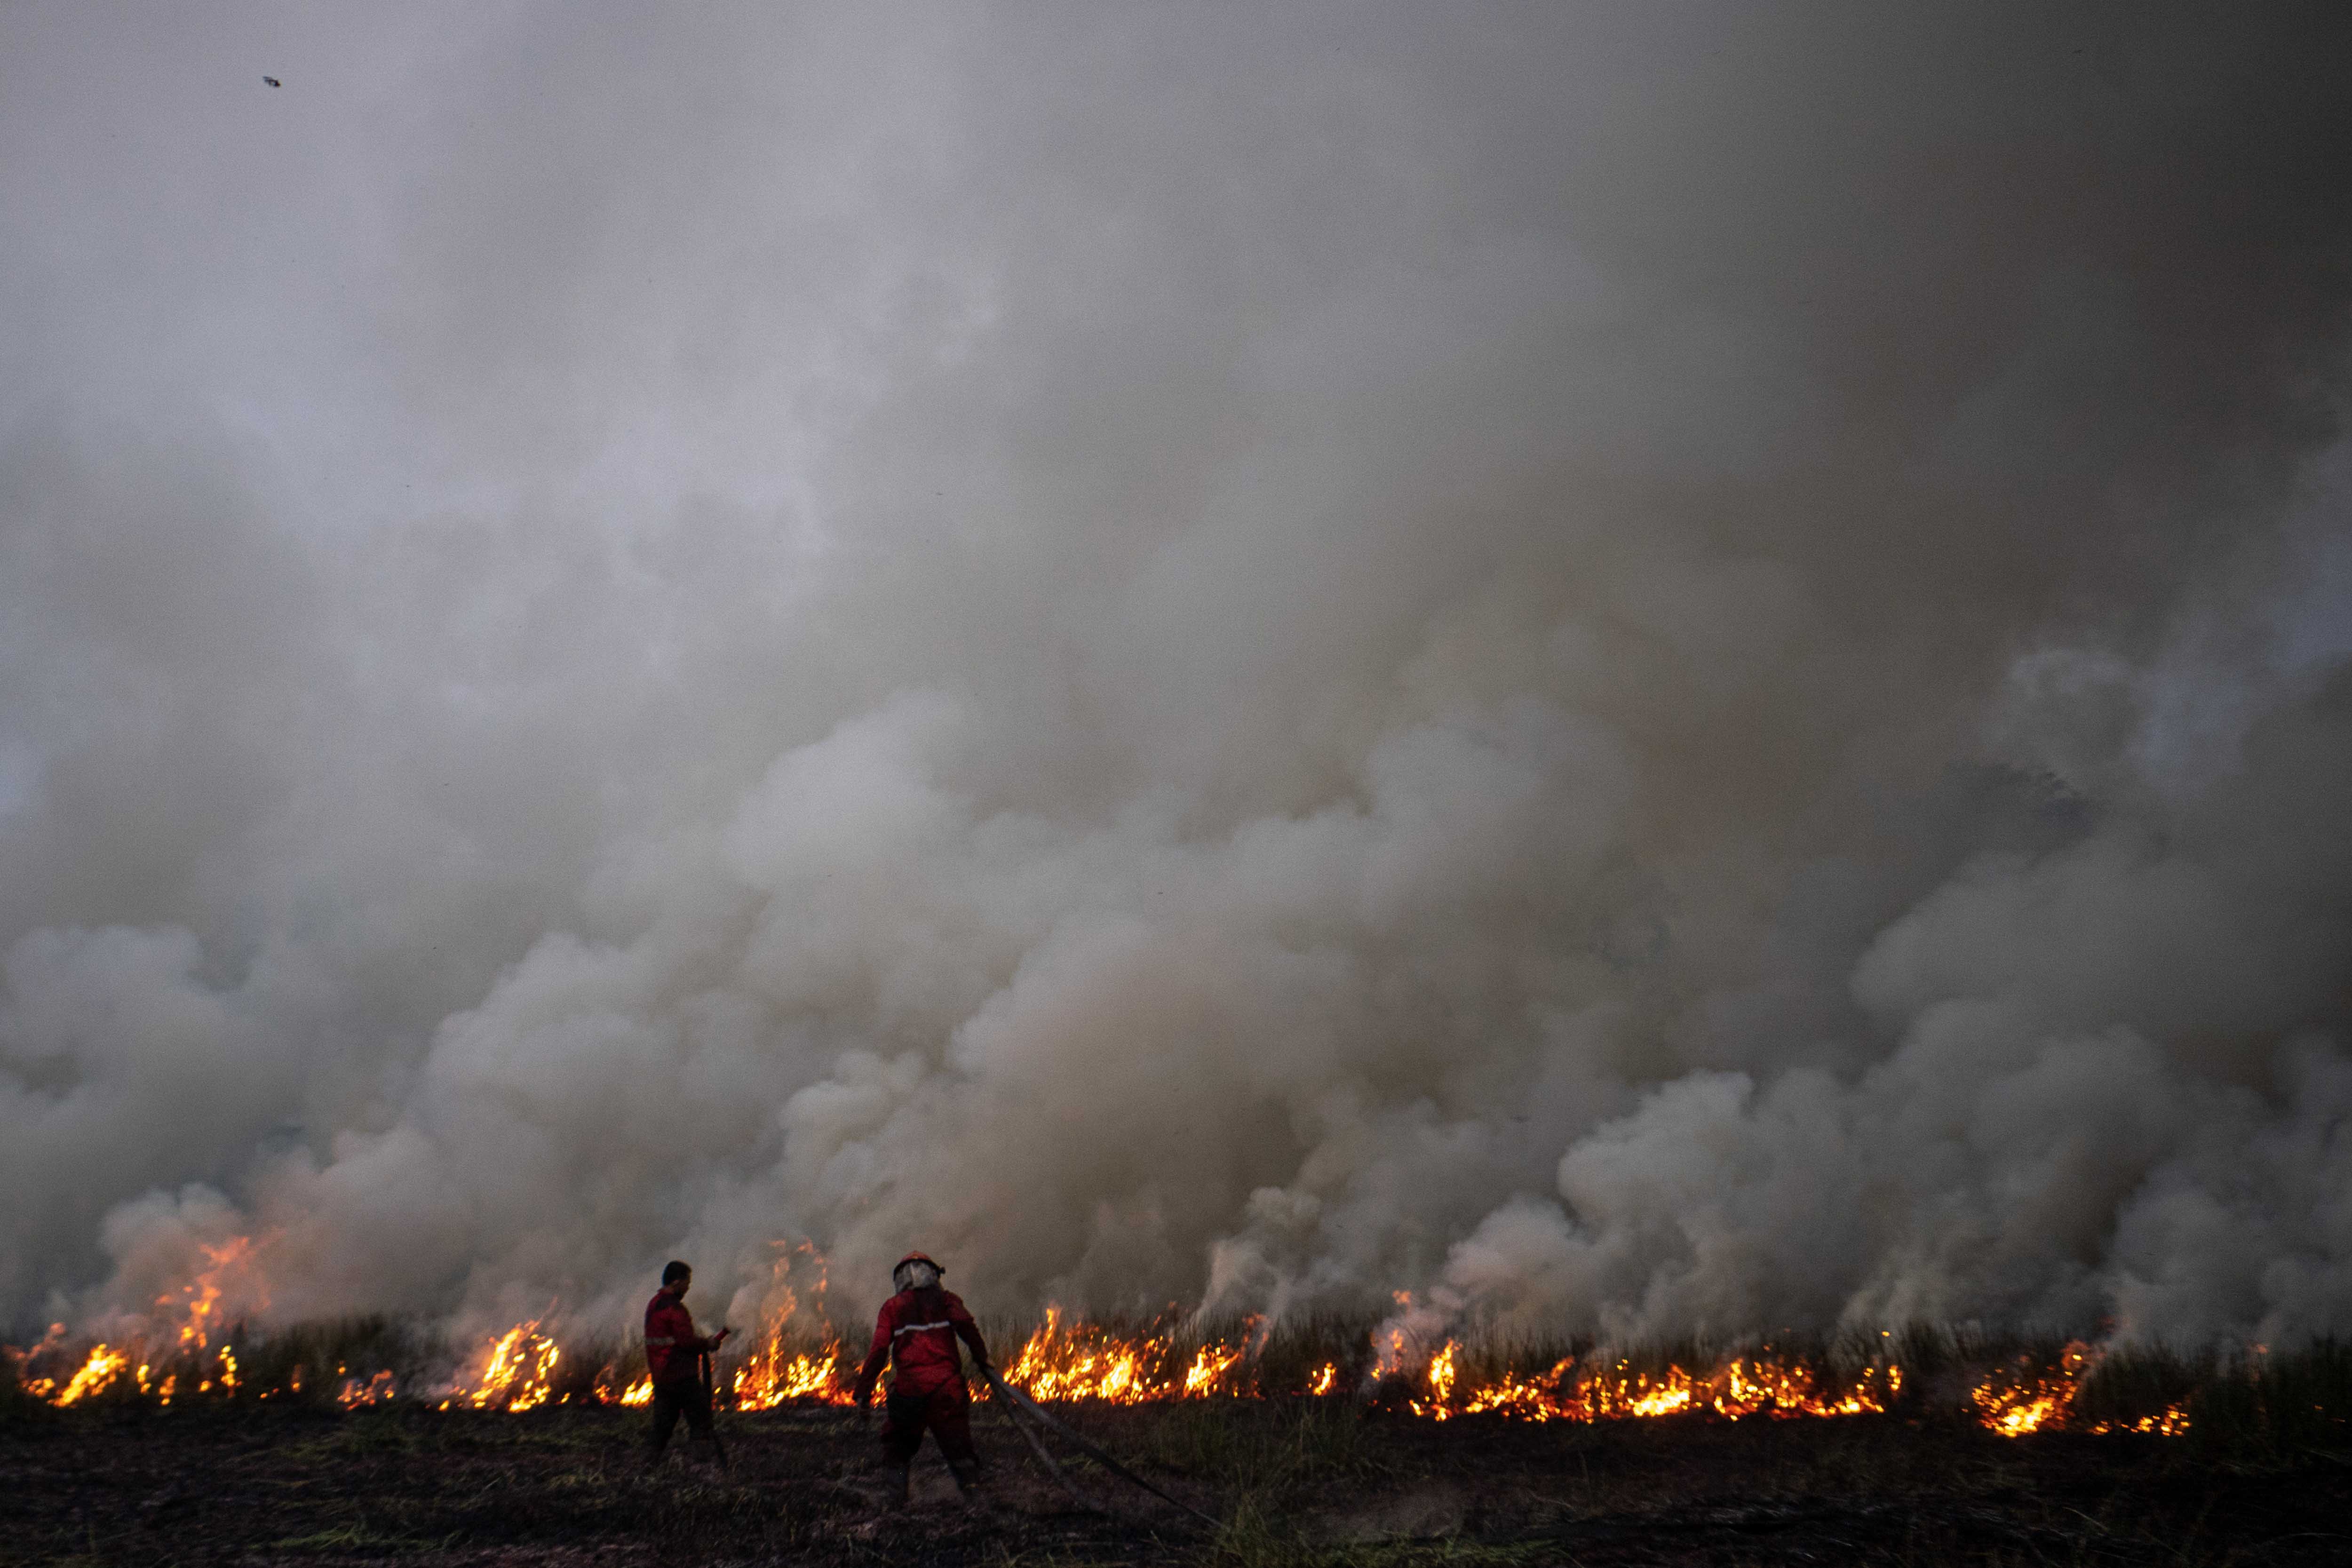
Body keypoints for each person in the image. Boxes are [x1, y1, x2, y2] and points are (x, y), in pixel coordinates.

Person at [852, 1251, 991, 1505]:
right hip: (947, 1391)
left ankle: (894, 1501)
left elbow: (879, 1351)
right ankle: (975, 1498)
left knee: (897, 1448)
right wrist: (983, 1359)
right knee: (959, 1445)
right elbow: (967, 1327)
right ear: (934, 1275)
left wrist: (865, 1391)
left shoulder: (893, 1308)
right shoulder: (947, 1301)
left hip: (910, 1393)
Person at [644, 1260, 731, 1470]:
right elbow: (685, 1342)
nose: (688, 1288)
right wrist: (707, 1343)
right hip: (682, 1377)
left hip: (662, 1377)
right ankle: (700, 1467)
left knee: (663, 1426)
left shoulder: (654, 1304)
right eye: (687, 1283)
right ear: (676, 1282)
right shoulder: (675, 1309)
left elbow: (672, 1339)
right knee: (701, 1422)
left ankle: (648, 1465)